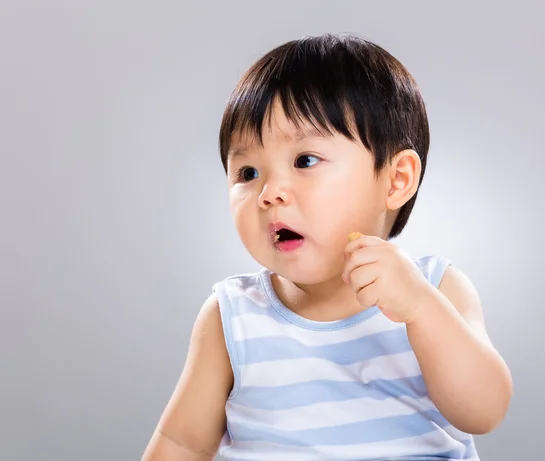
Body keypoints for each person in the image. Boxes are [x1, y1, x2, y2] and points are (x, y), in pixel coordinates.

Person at [142, 33, 513, 461]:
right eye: (247, 172)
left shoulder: (436, 288)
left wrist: (420, 308)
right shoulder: (232, 315)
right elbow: (182, 443)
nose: (269, 193)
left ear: (396, 180)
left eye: (305, 161)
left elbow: (484, 411)